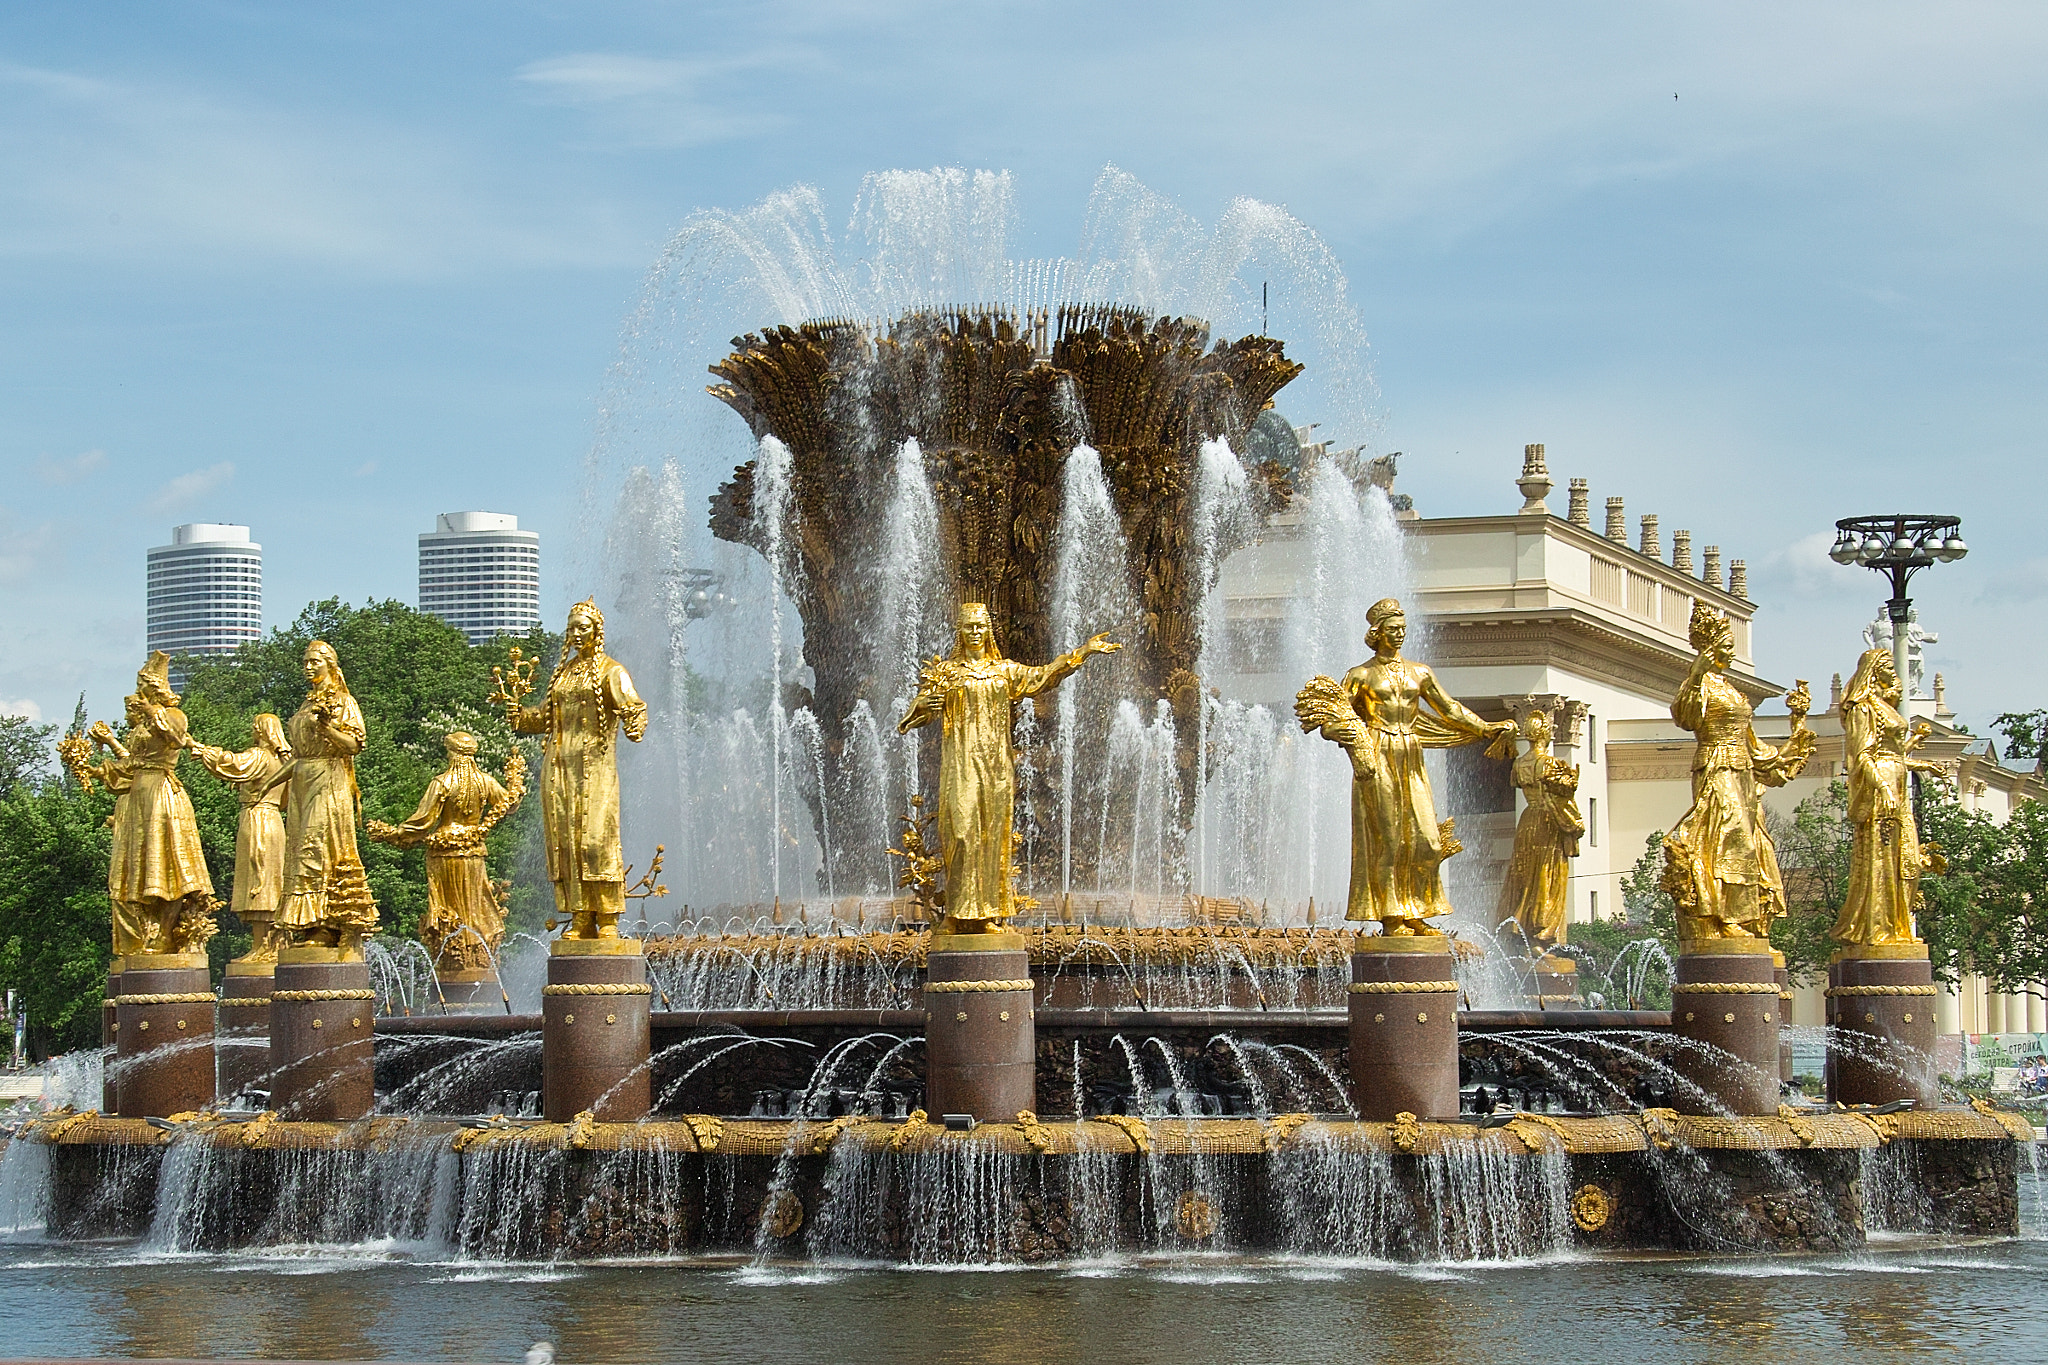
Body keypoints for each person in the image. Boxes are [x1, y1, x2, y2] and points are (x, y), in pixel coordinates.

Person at [1297, 597, 1515, 935]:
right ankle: (1393, 916)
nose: (1399, 635)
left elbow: (1451, 709)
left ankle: (1417, 909)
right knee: (1391, 840)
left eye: (1403, 629)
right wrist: (1350, 737)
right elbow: (1332, 717)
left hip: (1411, 754)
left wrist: (1487, 728)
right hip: (1378, 752)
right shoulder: (1360, 675)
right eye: (1393, 629)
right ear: (1377, 632)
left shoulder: (1420, 672)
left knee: (1426, 840)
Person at [898, 602, 1119, 928]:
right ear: (960, 631)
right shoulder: (946, 673)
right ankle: (957, 915)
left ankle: (987, 914)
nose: (975, 632)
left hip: (996, 767)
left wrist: (1082, 652)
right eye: (969, 626)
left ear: (988, 630)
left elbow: (1043, 677)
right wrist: (921, 705)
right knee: (960, 833)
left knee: (991, 838)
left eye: (980, 626)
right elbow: (917, 716)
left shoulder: (1004, 672)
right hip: (960, 765)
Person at [1661, 602, 1814, 941]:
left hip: (1742, 770)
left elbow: (1754, 746)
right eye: (1727, 647)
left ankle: (1741, 919)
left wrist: (1797, 725)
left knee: (1750, 843)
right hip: (1716, 764)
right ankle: (1722, 915)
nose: (1731, 654)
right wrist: (1698, 670)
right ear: (1711, 648)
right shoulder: (1699, 685)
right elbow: (1684, 716)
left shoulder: (1730, 689)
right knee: (1728, 839)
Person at [506, 600, 646, 939]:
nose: (576, 633)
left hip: (595, 767)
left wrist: (634, 722)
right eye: (572, 628)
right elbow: (544, 717)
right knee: (567, 841)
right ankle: (581, 915)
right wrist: (518, 714)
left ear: (596, 631)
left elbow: (634, 705)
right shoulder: (564, 674)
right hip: (558, 768)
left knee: (596, 839)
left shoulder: (613, 671)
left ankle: (609, 916)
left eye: (582, 627)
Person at [75, 652, 215, 956]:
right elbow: (132, 764)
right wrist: (97, 770)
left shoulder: (173, 715)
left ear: (155, 690)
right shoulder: (140, 726)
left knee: (169, 870)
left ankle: (165, 935)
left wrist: (152, 710)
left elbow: (175, 738)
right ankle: (147, 934)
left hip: (162, 797)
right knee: (141, 871)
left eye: (144, 688)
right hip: (139, 798)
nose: (139, 694)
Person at [368, 731, 525, 970]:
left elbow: (421, 822)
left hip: (443, 855)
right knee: (475, 904)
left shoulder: (442, 783)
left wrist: (394, 833)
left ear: (452, 754)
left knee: (448, 907)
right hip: (473, 853)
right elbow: (509, 805)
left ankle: (456, 957)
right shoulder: (486, 782)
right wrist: (516, 783)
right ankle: (475, 954)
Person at [1830, 647, 1950, 947]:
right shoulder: (1863, 708)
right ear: (1874, 669)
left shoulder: (1883, 705)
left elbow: (1892, 754)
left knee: (1907, 861)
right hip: (1881, 794)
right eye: (1887, 666)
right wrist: (1882, 787)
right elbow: (1862, 756)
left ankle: (1897, 926)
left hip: (1897, 789)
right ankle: (1876, 928)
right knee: (1882, 858)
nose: (1894, 672)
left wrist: (1921, 763)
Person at [272, 640, 378, 951]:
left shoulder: (343, 701)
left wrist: (327, 728)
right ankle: (308, 926)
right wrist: (269, 783)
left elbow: (354, 745)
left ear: (330, 664)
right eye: (304, 662)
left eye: (314, 662)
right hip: (303, 780)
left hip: (328, 779)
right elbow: (296, 757)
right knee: (298, 851)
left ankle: (327, 926)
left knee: (317, 847)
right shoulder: (306, 704)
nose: (307, 668)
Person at [189, 714, 291, 962]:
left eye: (254, 729)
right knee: (272, 881)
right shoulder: (284, 763)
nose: (252, 733)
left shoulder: (260, 756)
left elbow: (233, 764)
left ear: (261, 732)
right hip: (275, 820)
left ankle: (263, 947)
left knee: (260, 882)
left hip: (257, 820)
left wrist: (202, 749)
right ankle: (273, 945)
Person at [1496, 710, 1584, 949]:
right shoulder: (1551, 764)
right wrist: (1574, 823)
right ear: (1545, 733)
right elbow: (1560, 798)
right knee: (1547, 878)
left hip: (1527, 822)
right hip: (1548, 821)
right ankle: (1540, 933)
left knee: (1525, 877)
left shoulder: (1519, 764)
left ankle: (1522, 930)